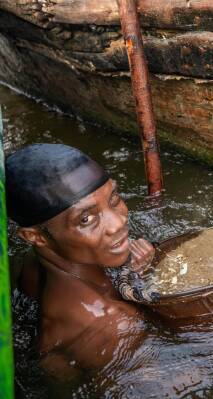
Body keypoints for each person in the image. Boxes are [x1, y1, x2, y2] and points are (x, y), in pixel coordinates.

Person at [6, 143, 155, 377]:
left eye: (114, 198)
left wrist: (133, 272)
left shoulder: (33, 263)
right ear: (34, 236)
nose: (117, 223)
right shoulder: (113, 326)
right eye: (85, 219)